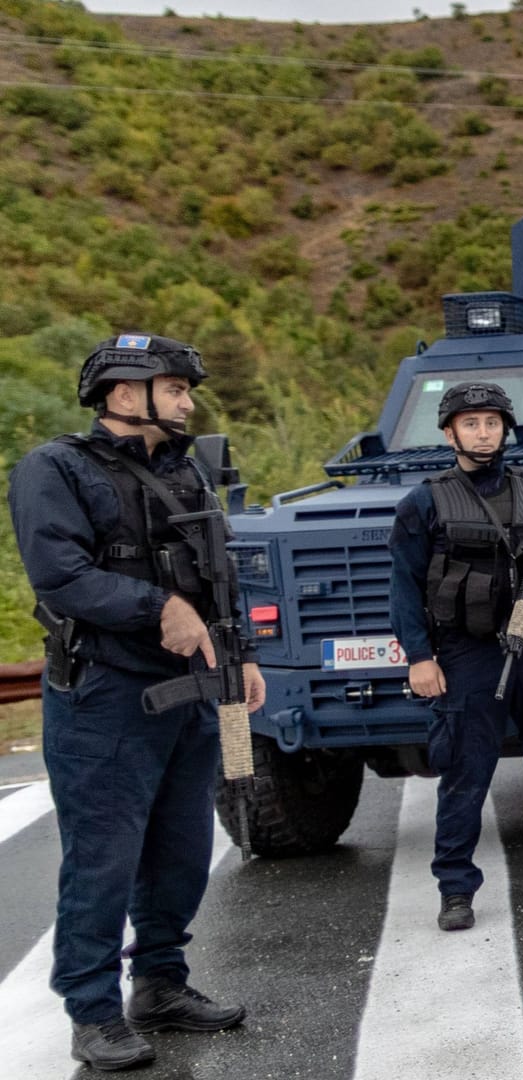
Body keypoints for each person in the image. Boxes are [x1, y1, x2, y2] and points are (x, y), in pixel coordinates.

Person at [9, 333, 265, 1071]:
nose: (188, 401)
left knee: (182, 852)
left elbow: (218, 578)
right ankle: (92, 1013)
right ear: (125, 395)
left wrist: (240, 654)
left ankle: (160, 985)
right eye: (175, 388)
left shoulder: (187, 475)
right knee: (103, 861)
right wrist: (159, 608)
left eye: (187, 390)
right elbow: (60, 576)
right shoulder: (54, 469)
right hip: (106, 698)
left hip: (190, 696)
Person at [388, 381, 523, 933]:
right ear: (449, 433)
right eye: (470, 424)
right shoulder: (426, 501)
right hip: (468, 652)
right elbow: (403, 587)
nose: (482, 433)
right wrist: (419, 657)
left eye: (491, 423)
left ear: (505, 429)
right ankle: (456, 887)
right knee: (466, 769)